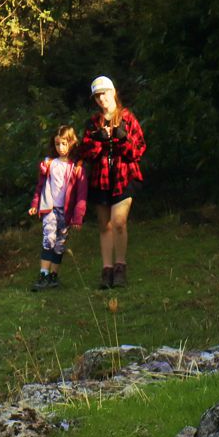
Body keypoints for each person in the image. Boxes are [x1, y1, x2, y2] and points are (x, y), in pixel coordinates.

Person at [78, 75, 145, 289]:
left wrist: (122, 137)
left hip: (124, 178)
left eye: (104, 93)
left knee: (118, 222)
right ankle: (106, 271)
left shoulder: (128, 119)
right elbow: (85, 152)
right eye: (97, 96)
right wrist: (99, 140)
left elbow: (138, 151)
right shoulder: (92, 123)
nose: (101, 99)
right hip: (101, 179)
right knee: (104, 225)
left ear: (113, 92)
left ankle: (120, 267)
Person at [28, 125, 87, 290]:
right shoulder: (49, 164)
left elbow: (81, 194)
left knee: (60, 244)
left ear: (72, 144)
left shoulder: (76, 168)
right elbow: (40, 186)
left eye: (64, 143)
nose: (61, 148)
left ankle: (53, 276)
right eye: (57, 144)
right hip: (50, 209)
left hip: (66, 212)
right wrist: (35, 204)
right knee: (49, 240)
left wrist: (78, 217)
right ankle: (43, 274)